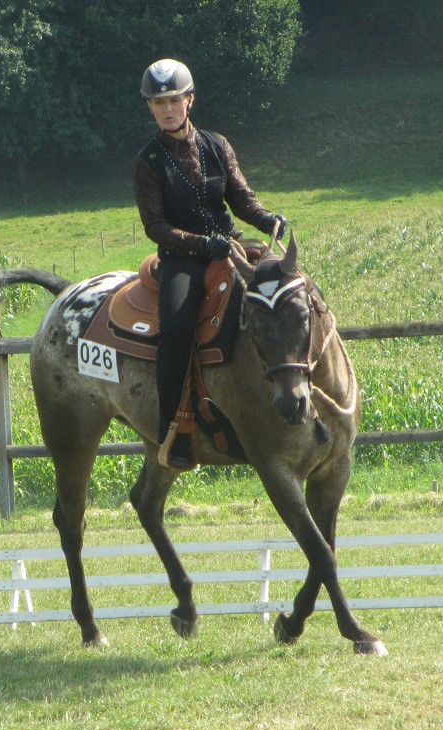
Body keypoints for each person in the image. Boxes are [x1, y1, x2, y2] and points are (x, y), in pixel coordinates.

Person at [133, 58, 288, 470]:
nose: (167, 109)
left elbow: (241, 198)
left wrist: (267, 218)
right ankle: (173, 431)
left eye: (174, 100)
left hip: (229, 248)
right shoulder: (148, 161)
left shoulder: (218, 146)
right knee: (178, 328)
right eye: (158, 102)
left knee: (284, 294)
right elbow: (156, 227)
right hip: (181, 260)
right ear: (150, 108)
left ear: (190, 100)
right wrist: (204, 244)